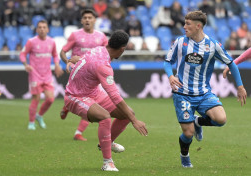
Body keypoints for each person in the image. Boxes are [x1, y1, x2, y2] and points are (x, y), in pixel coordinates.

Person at [163, 10, 247, 168]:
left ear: (198, 26)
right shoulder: (180, 42)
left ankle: (197, 122)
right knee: (188, 134)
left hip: (203, 93)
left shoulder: (213, 45)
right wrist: (170, 76)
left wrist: (240, 86)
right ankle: (185, 155)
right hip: (182, 94)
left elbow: (231, 64)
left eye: (188, 24)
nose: (184, 26)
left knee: (221, 120)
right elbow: (167, 61)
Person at [64, 30, 148, 171]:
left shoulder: (98, 49)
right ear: (122, 49)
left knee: (127, 113)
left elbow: (84, 62)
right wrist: (135, 121)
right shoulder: (103, 66)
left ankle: (106, 142)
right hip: (75, 96)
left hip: (93, 92)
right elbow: (115, 96)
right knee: (105, 117)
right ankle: (107, 162)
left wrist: (74, 61)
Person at [59, 9, 108, 141]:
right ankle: (69, 108)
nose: (87, 20)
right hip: (78, 74)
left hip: (93, 76)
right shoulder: (75, 35)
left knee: (93, 103)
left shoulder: (101, 37)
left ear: (94, 20)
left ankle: (78, 132)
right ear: (81, 20)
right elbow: (63, 51)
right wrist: (67, 61)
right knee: (90, 102)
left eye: (90, 17)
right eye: (85, 17)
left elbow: (107, 54)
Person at [20, 20, 64, 130]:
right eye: (40, 27)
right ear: (37, 29)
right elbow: (22, 54)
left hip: (47, 75)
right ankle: (31, 123)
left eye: (44, 27)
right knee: (36, 98)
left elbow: (55, 55)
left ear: (48, 29)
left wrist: (57, 65)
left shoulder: (51, 42)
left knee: (50, 99)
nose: (42, 29)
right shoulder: (31, 41)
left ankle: (39, 116)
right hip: (35, 74)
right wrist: (26, 64)